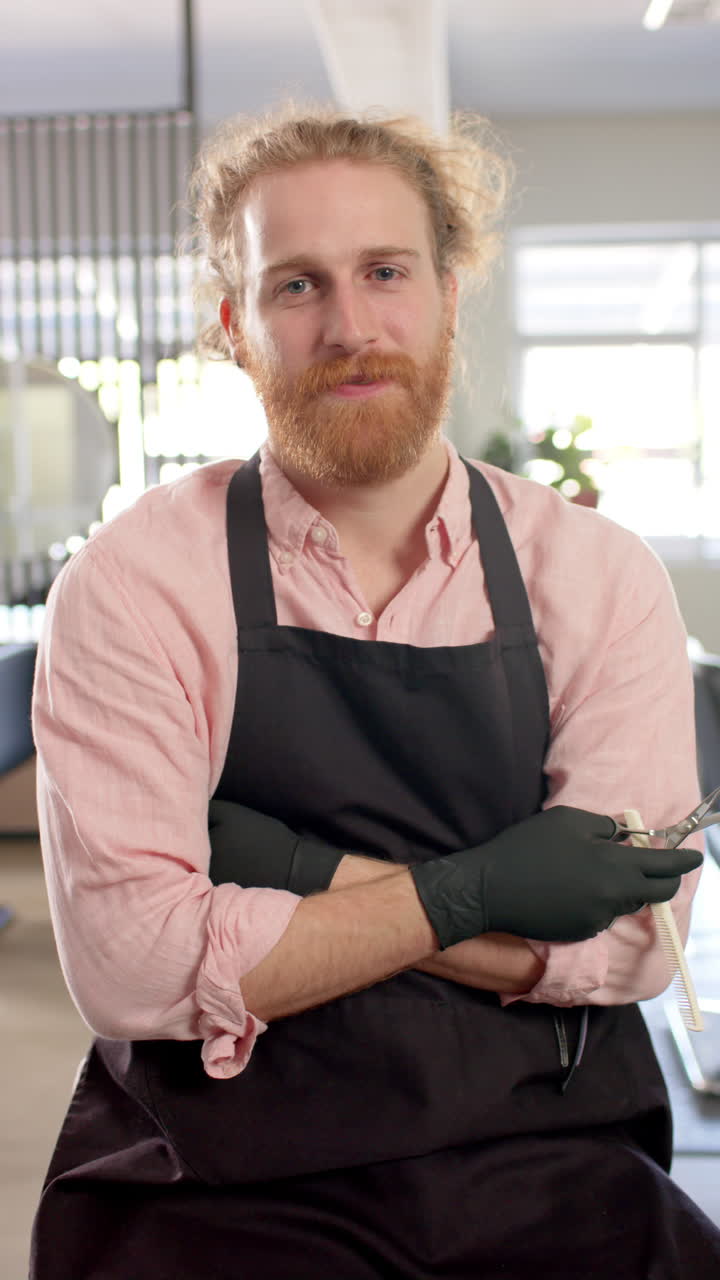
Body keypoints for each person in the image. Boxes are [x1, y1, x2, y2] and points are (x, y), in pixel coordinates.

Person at [29, 104, 720, 1279]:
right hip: (217, 1171)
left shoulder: (600, 577)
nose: (351, 327)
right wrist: (482, 891)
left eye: (386, 271)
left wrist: (299, 869)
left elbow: (628, 946)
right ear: (235, 325)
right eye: (297, 284)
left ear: (450, 292)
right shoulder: (135, 584)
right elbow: (136, 966)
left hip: (545, 1154)